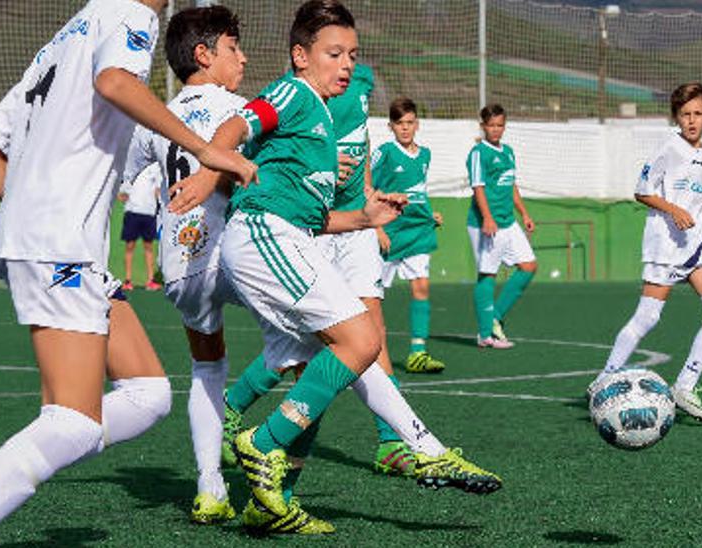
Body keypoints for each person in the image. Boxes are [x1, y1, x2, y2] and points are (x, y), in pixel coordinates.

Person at [0, 0, 254, 544]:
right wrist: (204, 150)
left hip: (50, 238)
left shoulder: (63, 38)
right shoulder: (131, 17)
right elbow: (114, 82)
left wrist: (32, 215)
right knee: (74, 422)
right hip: (59, 243)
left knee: (148, 394)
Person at [177, 1, 501, 533]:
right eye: (333, 53)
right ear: (301, 56)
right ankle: (263, 443)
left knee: (340, 353)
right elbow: (236, 126)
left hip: (287, 235)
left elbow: (310, 212)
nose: (346, 64)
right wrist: (211, 173)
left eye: (352, 54)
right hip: (264, 236)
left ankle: (406, 453)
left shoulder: (322, 118)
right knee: (361, 338)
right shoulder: (293, 92)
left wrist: (364, 216)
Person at [121, 4, 249, 524]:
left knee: (207, 363)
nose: (242, 58)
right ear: (205, 55)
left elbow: (127, 178)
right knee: (323, 340)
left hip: (180, 267)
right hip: (235, 255)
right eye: (234, 48)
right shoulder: (241, 108)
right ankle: (269, 454)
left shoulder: (159, 119)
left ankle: (210, 487)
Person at [589, 83, 702, 423]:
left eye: (698, 113)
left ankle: (685, 385)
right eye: (685, 114)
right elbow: (642, 192)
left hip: (697, 245)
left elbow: (695, 196)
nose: (691, 120)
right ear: (676, 117)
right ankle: (602, 381)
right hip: (666, 244)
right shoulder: (668, 148)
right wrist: (672, 209)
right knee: (648, 318)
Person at [374, 96, 445, 372]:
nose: (405, 128)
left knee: (422, 287)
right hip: (389, 234)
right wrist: (377, 227)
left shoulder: (425, 155)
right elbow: (367, 188)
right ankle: (372, 354)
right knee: (374, 297)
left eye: (410, 123)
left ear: (418, 124)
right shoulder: (384, 153)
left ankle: (418, 352)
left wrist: (430, 213)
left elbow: (418, 191)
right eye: (400, 123)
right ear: (390, 126)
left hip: (417, 232)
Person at [466, 104, 537, 349]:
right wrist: (487, 217)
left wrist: (524, 213)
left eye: (500, 125)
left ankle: (494, 316)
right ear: (483, 126)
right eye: (491, 125)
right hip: (486, 224)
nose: (496, 130)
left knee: (528, 266)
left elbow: (511, 184)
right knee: (488, 273)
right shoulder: (478, 153)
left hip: (509, 222)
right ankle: (486, 333)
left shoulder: (508, 152)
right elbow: (478, 187)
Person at [119, 165, 162, 291]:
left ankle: (150, 281)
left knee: (149, 247)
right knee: (129, 246)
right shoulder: (131, 166)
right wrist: (126, 197)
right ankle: (127, 281)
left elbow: (158, 190)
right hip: (132, 212)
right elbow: (122, 192)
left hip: (149, 212)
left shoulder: (156, 167)